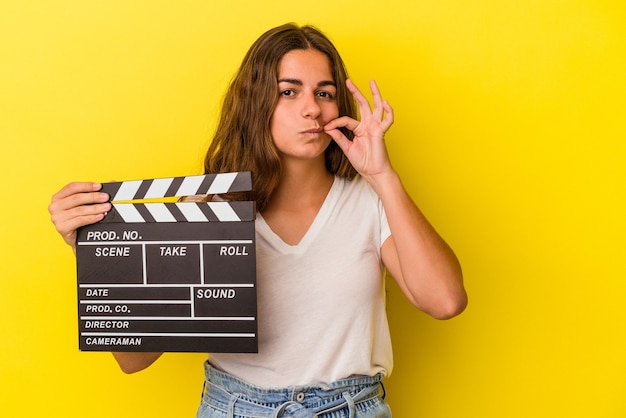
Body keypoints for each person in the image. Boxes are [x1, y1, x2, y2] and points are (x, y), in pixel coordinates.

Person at [49, 23, 467, 418]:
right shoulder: (204, 212)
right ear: (256, 102)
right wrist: (93, 250)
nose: (311, 110)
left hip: (350, 407)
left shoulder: (368, 201)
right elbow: (134, 358)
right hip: (234, 407)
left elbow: (444, 301)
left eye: (324, 93)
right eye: (289, 91)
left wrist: (383, 178)